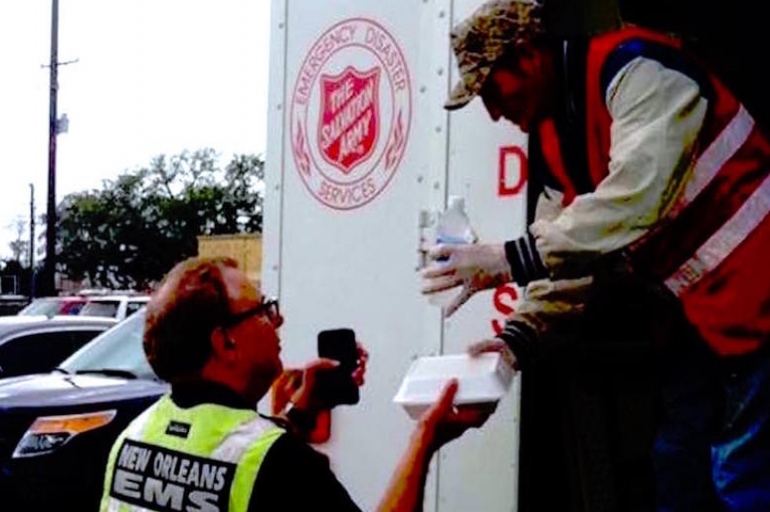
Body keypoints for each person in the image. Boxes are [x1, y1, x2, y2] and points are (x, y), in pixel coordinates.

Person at [421, 1, 770, 511]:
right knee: (677, 463)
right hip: (712, 316)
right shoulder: (556, 135)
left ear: (527, 57)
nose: (494, 112)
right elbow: (571, 252)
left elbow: (635, 198)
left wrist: (505, 259)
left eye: (493, 90)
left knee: (740, 478)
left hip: (759, 294)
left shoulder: (634, 72)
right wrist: (516, 341)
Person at [99, 256, 493, 512]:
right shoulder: (281, 464)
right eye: (263, 310)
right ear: (225, 342)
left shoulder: (132, 438)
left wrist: (302, 410)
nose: (279, 320)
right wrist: (425, 438)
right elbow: (256, 469)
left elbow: (228, 462)